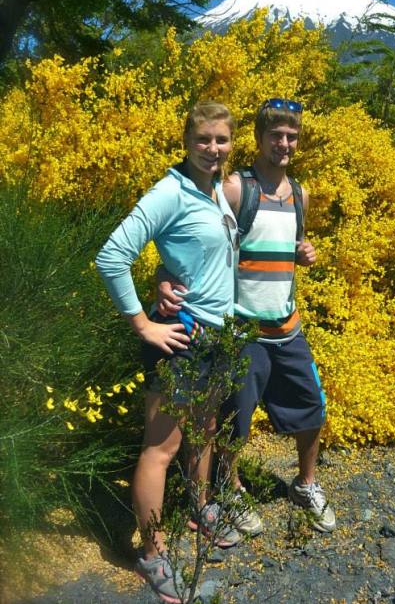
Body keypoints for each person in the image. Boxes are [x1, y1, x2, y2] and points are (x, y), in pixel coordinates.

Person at [157, 98, 336, 535]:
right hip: (243, 330)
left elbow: (291, 245)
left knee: (313, 407)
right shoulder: (238, 188)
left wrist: (305, 254)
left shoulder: (300, 193)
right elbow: (199, 242)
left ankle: (306, 483)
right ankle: (231, 486)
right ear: (258, 139)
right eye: (275, 134)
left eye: (292, 136)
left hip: (288, 327)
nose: (284, 143)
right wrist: (162, 275)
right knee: (238, 417)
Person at [96, 101, 240, 604]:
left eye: (221, 140)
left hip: (217, 336)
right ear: (186, 141)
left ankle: (200, 507)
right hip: (179, 336)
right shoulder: (169, 192)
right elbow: (112, 255)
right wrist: (142, 323)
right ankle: (153, 551)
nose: (212, 149)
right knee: (161, 448)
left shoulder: (218, 190)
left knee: (201, 433)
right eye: (203, 140)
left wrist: (164, 274)